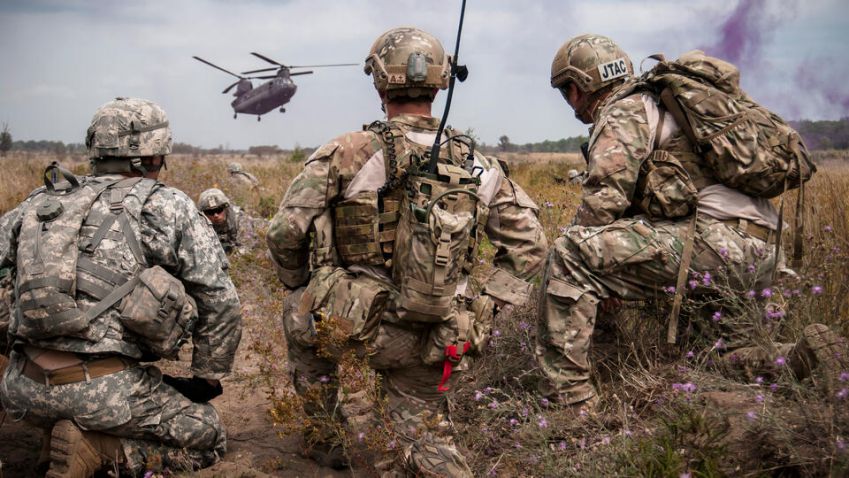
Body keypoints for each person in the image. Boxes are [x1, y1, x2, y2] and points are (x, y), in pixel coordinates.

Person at [267, 27, 547, 476]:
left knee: (296, 308)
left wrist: (302, 284)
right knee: (428, 441)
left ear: (380, 83)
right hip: (442, 333)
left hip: (359, 328)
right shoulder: (479, 163)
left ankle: (325, 437)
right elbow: (531, 246)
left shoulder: (348, 152)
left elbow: (285, 232)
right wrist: (485, 309)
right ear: (440, 85)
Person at [536, 34, 846, 410]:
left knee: (571, 254)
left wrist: (595, 269)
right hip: (762, 252)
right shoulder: (664, 103)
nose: (569, 101)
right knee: (714, 356)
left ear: (579, 86)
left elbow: (599, 207)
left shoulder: (624, 110)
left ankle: (570, 402)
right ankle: (803, 357)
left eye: (566, 90)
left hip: (719, 244)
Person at [0, 97, 242, 477]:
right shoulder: (167, 205)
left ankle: (56, 429)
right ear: (153, 155)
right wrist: (207, 374)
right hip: (105, 391)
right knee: (209, 435)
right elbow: (220, 298)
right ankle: (99, 449)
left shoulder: (39, 203)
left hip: (20, 390)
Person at [197, 188, 261, 254]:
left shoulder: (240, 219)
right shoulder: (201, 224)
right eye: (210, 212)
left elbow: (247, 248)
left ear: (225, 208)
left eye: (219, 210)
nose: (216, 215)